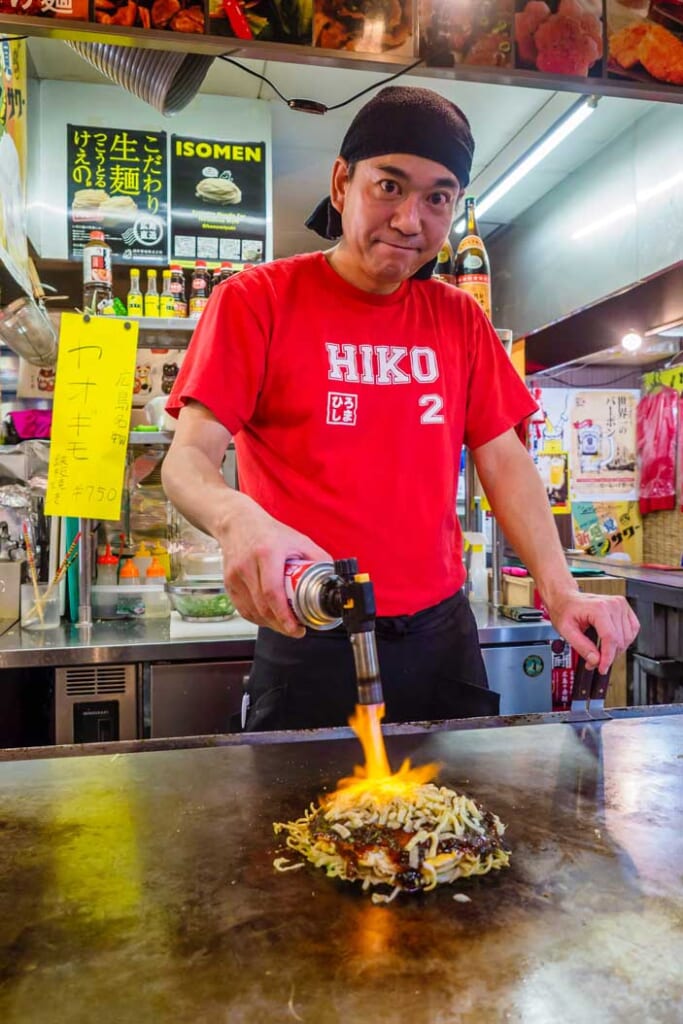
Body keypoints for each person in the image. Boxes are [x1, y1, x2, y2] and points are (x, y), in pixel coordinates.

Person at [163, 86, 639, 730]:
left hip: (441, 638)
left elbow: (504, 462)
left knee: (460, 825)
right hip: (311, 635)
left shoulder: (459, 318)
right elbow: (187, 459)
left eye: (437, 198)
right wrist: (236, 517)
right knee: (297, 828)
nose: (411, 220)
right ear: (341, 183)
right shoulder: (258, 300)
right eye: (389, 186)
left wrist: (561, 591)